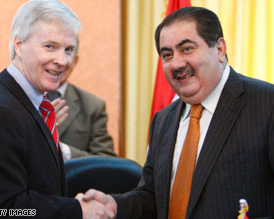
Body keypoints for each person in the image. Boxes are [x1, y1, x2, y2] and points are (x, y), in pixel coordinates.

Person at [83, 6, 274, 219]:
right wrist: (114, 205)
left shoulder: (266, 104)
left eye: (187, 49)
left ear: (220, 49)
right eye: (167, 55)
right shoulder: (163, 120)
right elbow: (153, 197)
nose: (176, 64)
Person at [0, 0, 115, 218]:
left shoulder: (29, 104)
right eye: (49, 46)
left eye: (68, 49)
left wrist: (70, 202)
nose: (62, 60)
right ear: (19, 45)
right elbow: (0, 210)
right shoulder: (0, 113)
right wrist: (76, 210)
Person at [47, 38, 116, 160]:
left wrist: (63, 151)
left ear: (75, 61)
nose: (60, 61)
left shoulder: (92, 106)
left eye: (68, 51)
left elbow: (106, 161)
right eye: (50, 49)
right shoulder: (19, 99)